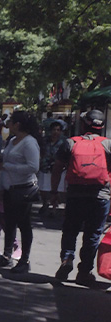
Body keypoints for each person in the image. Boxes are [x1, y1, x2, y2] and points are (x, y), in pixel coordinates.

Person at [50, 109, 111, 286]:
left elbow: (57, 169)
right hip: (100, 197)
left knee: (70, 230)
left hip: (75, 195)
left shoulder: (70, 143)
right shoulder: (108, 145)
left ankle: (67, 259)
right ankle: (84, 271)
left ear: (84, 124)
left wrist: (54, 193)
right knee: (93, 234)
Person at [0, 111, 41, 273]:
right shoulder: (12, 141)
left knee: (24, 224)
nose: (8, 124)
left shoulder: (29, 143)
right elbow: (4, 165)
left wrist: (9, 167)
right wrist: (0, 188)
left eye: (11, 121)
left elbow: (33, 167)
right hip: (9, 188)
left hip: (24, 189)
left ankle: (24, 259)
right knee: (9, 223)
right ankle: (6, 255)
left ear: (18, 124)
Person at [39, 121, 67, 214]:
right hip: (45, 167)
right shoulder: (45, 140)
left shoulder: (64, 141)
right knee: (42, 188)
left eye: (58, 130)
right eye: (54, 130)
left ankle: (54, 208)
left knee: (56, 188)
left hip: (58, 168)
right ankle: (45, 204)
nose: (56, 132)